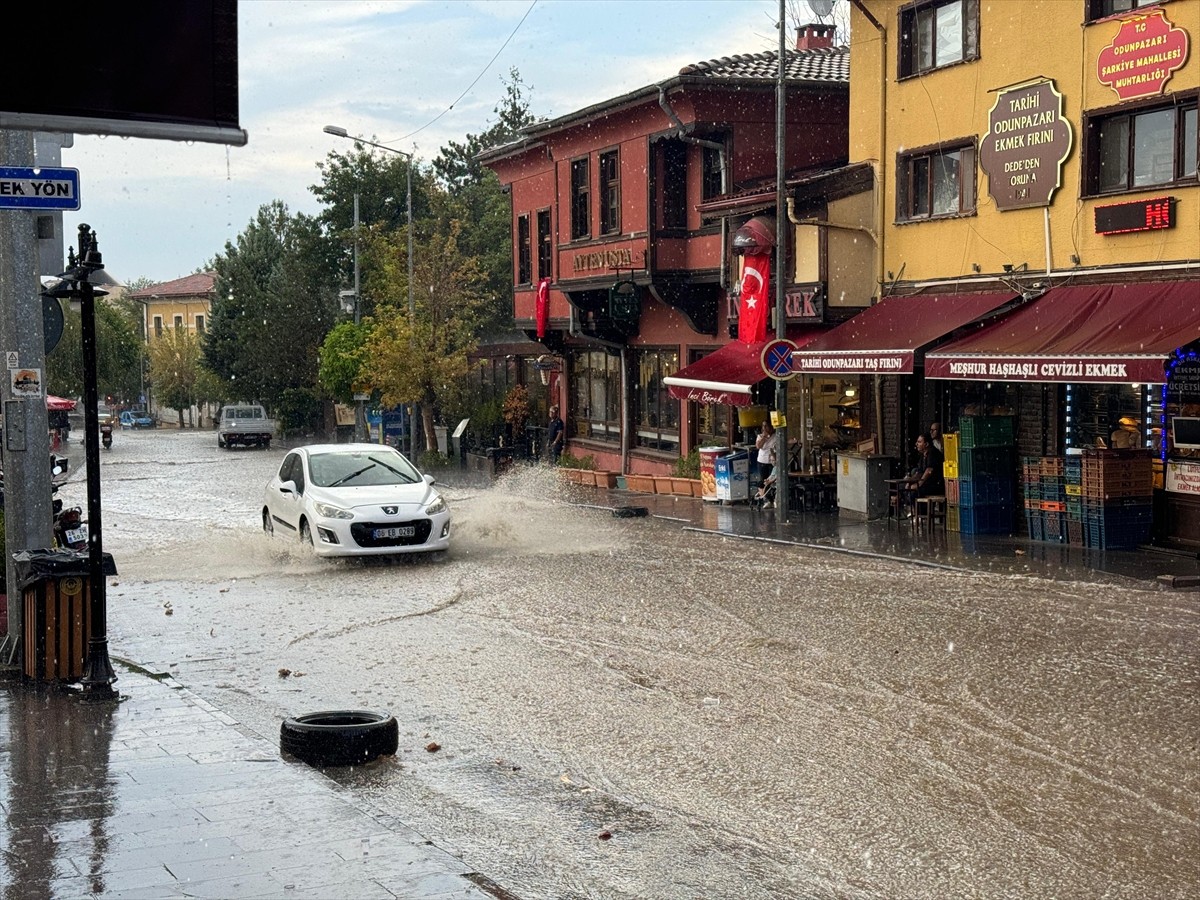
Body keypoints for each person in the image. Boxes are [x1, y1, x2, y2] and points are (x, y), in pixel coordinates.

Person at [903, 433, 945, 512]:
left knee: (914, 493)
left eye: (919, 442)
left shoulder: (933, 453)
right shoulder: (923, 455)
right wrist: (910, 481)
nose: (917, 444)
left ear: (926, 444)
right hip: (927, 484)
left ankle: (921, 515)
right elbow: (919, 472)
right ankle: (914, 512)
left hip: (936, 485)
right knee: (904, 488)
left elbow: (929, 471)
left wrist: (919, 484)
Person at [755, 419, 777, 486]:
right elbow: (758, 446)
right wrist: (764, 438)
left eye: (766, 426)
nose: (764, 428)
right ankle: (763, 493)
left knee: (771, 480)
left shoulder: (775, 436)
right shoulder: (760, 436)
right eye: (763, 426)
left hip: (772, 462)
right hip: (762, 461)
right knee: (763, 480)